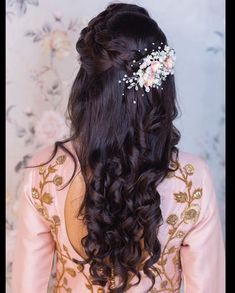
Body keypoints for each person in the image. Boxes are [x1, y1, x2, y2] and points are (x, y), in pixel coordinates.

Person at [11, 2, 225, 293]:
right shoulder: (192, 178)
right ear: (161, 90)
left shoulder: (46, 171)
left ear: (87, 88)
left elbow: (26, 287)